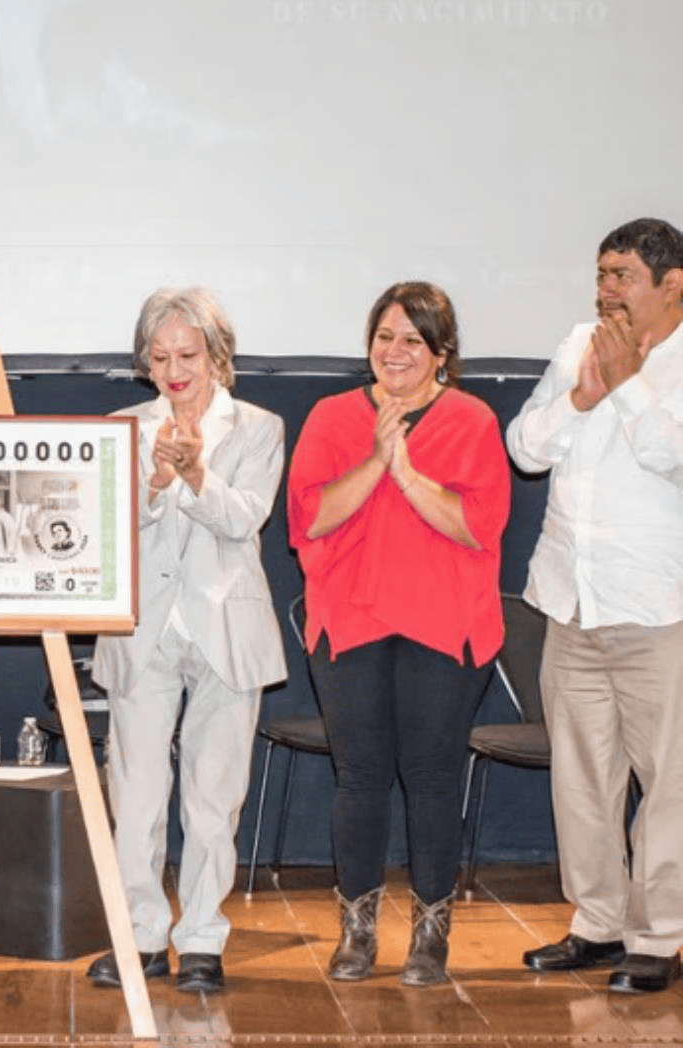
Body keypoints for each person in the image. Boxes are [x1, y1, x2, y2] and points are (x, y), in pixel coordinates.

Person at [288, 282, 510, 987]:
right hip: (350, 620)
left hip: (444, 627)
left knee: (434, 778)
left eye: (413, 339)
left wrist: (408, 473)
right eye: (385, 336)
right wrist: (378, 460)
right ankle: (357, 933)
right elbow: (311, 520)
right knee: (359, 778)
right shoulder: (330, 417)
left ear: (442, 353)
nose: (395, 351)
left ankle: (430, 937)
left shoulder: (472, 420)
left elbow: (476, 525)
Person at [89, 287, 287, 993]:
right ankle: (140, 936)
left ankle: (202, 938)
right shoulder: (122, 426)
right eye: (160, 355)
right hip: (143, 631)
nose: (174, 369)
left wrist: (197, 473)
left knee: (213, 797)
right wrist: (152, 486)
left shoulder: (258, 428)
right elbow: (103, 530)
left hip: (226, 630)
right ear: (145, 362)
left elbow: (245, 520)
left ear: (217, 356)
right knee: (137, 794)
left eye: (188, 354)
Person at [507, 218, 683, 994]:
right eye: (602, 273)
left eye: (622, 276)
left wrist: (628, 385)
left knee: (670, 781)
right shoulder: (578, 342)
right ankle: (598, 923)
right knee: (581, 778)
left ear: (671, 283)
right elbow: (526, 447)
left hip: (657, 606)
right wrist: (581, 395)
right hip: (570, 600)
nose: (605, 289)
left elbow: (672, 454)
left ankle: (662, 935)